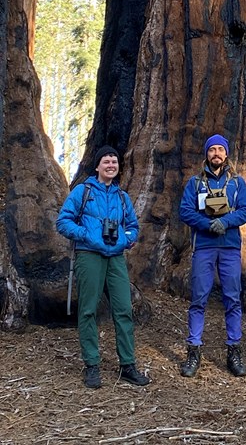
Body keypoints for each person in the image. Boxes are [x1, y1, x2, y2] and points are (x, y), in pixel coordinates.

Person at [56, 146, 151, 389]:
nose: (111, 165)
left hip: (116, 257)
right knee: (88, 310)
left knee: (123, 309)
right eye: (106, 162)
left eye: (115, 162)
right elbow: (63, 221)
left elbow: (132, 226)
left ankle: (128, 365)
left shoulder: (122, 197)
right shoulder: (83, 191)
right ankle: (92, 365)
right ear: (97, 166)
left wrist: (126, 239)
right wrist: (86, 234)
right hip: (89, 255)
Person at [179, 133, 246, 378]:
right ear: (206, 154)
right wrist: (206, 224)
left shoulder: (237, 183)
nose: (216, 154)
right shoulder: (195, 183)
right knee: (199, 298)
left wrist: (225, 222)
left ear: (226, 154)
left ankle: (234, 350)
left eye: (220, 149)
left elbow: (245, 211)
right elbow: (185, 211)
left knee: (232, 298)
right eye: (212, 150)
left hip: (229, 246)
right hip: (204, 246)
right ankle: (193, 349)